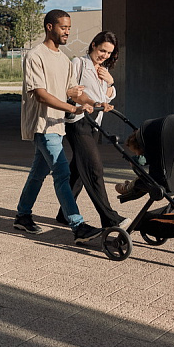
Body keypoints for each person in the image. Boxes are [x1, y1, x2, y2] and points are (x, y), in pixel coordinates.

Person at [13, 9, 105, 244]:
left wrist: (95, 103)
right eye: (63, 28)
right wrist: (73, 109)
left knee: (38, 173)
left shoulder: (64, 59)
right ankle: (77, 225)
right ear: (49, 27)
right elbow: (41, 94)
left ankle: (22, 215)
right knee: (62, 173)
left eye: (69, 28)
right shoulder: (35, 56)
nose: (67, 32)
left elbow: (74, 91)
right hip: (43, 125)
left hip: (57, 124)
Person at [56, 31, 131, 230]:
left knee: (79, 170)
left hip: (94, 123)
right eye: (102, 50)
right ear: (93, 45)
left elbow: (106, 97)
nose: (104, 55)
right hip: (78, 121)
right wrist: (93, 102)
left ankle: (65, 213)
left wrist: (110, 81)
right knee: (94, 168)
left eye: (109, 53)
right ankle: (110, 218)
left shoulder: (103, 70)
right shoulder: (79, 63)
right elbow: (72, 91)